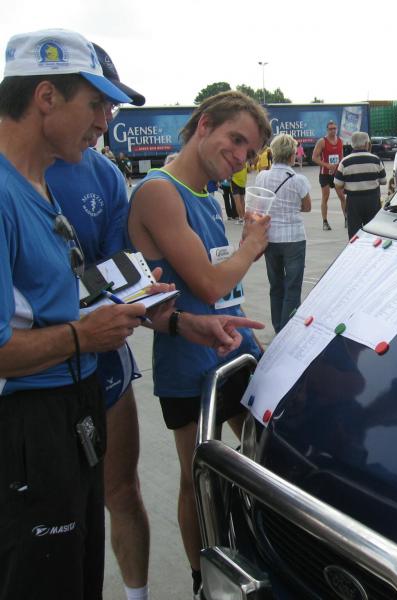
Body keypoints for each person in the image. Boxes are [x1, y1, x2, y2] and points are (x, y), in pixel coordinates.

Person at [0, 28, 147, 600]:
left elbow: (62, 291)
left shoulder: (38, 184)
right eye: (96, 104)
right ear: (46, 97)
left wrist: (152, 305)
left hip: (72, 411)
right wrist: (85, 336)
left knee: (77, 572)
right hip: (29, 425)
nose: (105, 121)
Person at [126, 90, 271, 599]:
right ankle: (200, 580)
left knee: (266, 458)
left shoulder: (207, 195)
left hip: (234, 348)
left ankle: (261, 557)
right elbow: (208, 285)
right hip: (189, 361)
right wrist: (251, 247)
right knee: (199, 479)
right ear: (204, 125)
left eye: (250, 152)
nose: (241, 157)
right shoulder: (160, 192)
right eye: (236, 140)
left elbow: (222, 284)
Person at [254, 134, 312, 333]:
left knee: (276, 285)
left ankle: (278, 326)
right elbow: (307, 207)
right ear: (291, 156)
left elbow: (259, 205)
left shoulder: (262, 177)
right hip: (294, 237)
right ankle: (288, 329)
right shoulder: (298, 180)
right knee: (292, 286)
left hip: (270, 238)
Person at [334, 131, 386, 239]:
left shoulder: (345, 162)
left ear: (352, 144)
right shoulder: (375, 159)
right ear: (367, 143)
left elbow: (338, 184)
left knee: (354, 234)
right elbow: (383, 181)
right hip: (372, 200)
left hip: (353, 202)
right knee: (373, 232)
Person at [312, 119, 346, 230]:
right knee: (325, 197)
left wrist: (341, 168)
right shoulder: (322, 141)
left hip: (337, 174)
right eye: (330, 129)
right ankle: (325, 222)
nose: (333, 131)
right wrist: (327, 165)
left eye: (334, 128)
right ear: (327, 130)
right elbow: (314, 158)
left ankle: (347, 218)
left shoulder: (340, 141)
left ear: (337, 129)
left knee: (342, 196)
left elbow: (341, 156)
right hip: (325, 174)